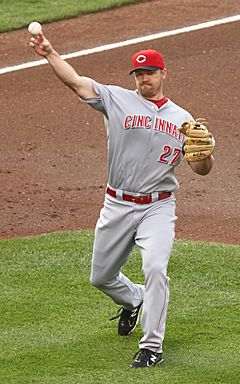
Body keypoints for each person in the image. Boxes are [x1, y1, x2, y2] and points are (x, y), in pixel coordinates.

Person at [30, 34, 214, 368]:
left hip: (158, 206)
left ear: (163, 74)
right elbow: (75, 81)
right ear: (134, 77)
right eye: (139, 73)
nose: (145, 78)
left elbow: (200, 168)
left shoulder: (183, 119)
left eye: (151, 72)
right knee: (101, 277)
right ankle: (134, 299)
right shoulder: (116, 99)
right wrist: (49, 53)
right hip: (116, 204)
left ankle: (151, 347)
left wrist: (204, 154)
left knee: (156, 268)